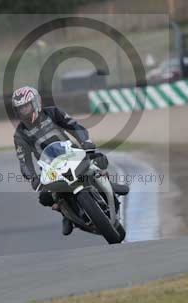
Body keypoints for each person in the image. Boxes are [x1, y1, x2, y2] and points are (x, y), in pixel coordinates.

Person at [12, 86, 113, 236]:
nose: (24, 111)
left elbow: (75, 127)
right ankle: (66, 213)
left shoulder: (53, 113)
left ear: (35, 103)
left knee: (99, 160)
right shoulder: (20, 134)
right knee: (45, 197)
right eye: (20, 109)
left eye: (26, 106)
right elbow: (23, 161)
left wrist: (86, 144)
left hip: (72, 154)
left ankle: (108, 186)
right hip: (49, 167)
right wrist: (33, 178)